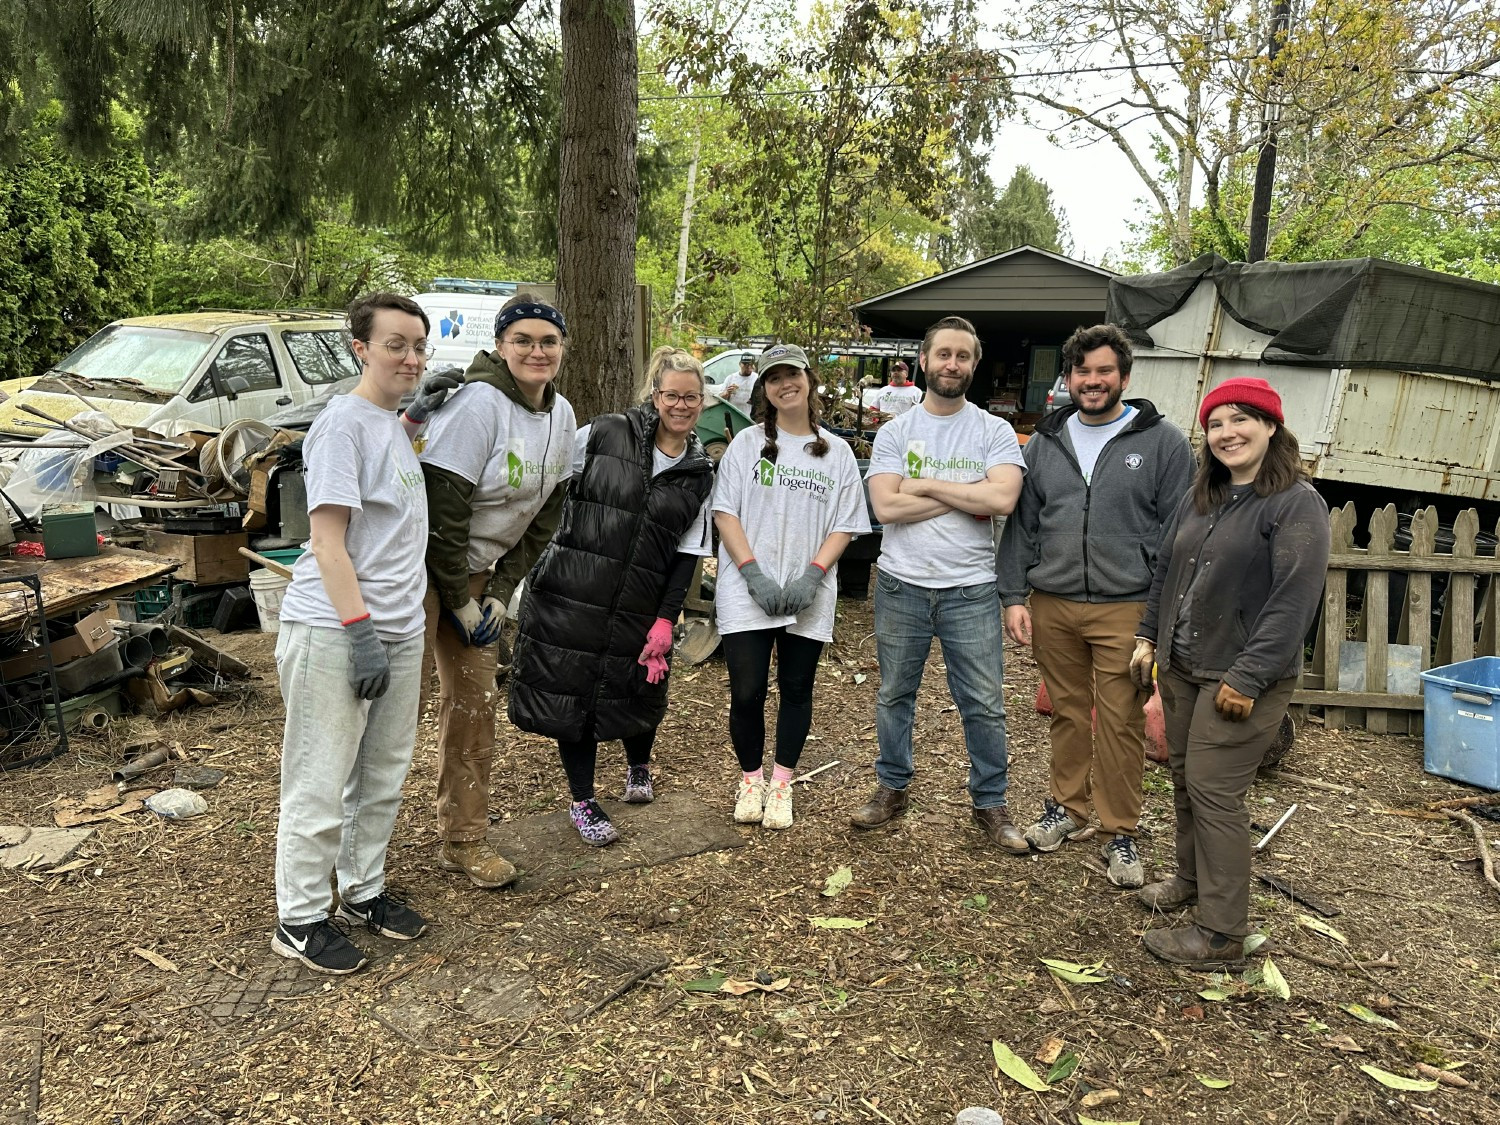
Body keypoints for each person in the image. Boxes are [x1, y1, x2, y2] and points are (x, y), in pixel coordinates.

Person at [1133, 378, 1328, 968]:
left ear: (1271, 426)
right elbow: (1166, 568)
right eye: (1216, 423)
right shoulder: (1206, 495)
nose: (1227, 433)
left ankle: (1221, 933)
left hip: (1242, 676)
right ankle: (1191, 880)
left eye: (1241, 419)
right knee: (1188, 778)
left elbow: (1295, 599)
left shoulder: (1296, 502)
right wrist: (1147, 633)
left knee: (1217, 791)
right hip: (1186, 666)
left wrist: (1249, 677)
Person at [997, 323, 1194, 887]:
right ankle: (1066, 808)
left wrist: (1159, 618)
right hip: (1053, 602)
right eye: (1082, 371)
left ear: (1124, 378)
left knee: (1121, 720)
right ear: (1069, 378)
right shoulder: (1046, 441)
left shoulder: (1162, 443)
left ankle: (1121, 831)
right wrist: (1014, 595)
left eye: (1104, 370)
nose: (1092, 380)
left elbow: (1179, 533)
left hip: (1126, 607)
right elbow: (1023, 526)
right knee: (1066, 711)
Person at [271, 292, 434, 974]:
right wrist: (360, 630)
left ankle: (362, 889)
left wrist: (418, 413)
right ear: (360, 347)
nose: (410, 357)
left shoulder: (391, 423)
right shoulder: (343, 424)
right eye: (395, 343)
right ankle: (300, 915)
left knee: (382, 774)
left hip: (400, 628)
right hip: (338, 627)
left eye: (419, 346)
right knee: (319, 774)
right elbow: (328, 542)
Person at [509, 347, 715, 845]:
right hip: (573, 590)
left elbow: (690, 552)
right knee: (574, 690)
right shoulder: (606, 432)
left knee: (640, 683)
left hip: (641, 598)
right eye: (672, 395)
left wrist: (667, 619)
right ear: (655, 394)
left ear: (703, 401)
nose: (681, 405)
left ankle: (638, 769)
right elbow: (549, 485)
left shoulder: (699, 471)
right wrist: (537, 559)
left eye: (691, 397)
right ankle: (582, 800)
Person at [849, 316, 1028, 851]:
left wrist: (921, 484)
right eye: (943, 354)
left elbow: (1001, 500)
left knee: (984, 701)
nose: (952, 364)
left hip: (971, 589)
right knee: (894, 694)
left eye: (963, 356)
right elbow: (885, 506)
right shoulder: (896, 431)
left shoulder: (993, 430)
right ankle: (892, 786)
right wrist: (963, 489)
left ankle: (990, 802)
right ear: (924, 361)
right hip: (902, 584)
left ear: (974, 365)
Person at [420, 293, 576, 888]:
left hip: (478, 579)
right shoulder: (478, 406)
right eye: (524, 340)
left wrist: (496, 592)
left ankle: (464, 839)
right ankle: (355, 854)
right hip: (421, 575)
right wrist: (456, 595)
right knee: (392, 710)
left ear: (562, 349)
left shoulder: (560, 415)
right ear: (502, 345)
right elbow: (445, 508)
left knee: (473, 708)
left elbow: (545, 514)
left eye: (548, 341)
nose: (537, 352)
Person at [713, 343, 870, 829]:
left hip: (809, 589)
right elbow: (725, 511)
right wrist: (753, 572)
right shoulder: (746, 445)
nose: (786, 384)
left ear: (809, 380)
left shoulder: (837, 452)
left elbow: (845, 522)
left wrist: (814, 575)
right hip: (747, 588)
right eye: (774, 377)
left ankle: (782, 784)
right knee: (747, 690)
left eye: (793, 374)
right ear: (763, 387)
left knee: (797, 687)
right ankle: (750, 779)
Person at [861, 360, 923, 426]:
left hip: (904, 431)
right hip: (883, 429)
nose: (895, 373)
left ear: (906, 374)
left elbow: (918, 415)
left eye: (899, 370)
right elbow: (873, 410)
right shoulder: (883, 391)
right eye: (893, 371)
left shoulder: (916, 392)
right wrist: (875, 420)